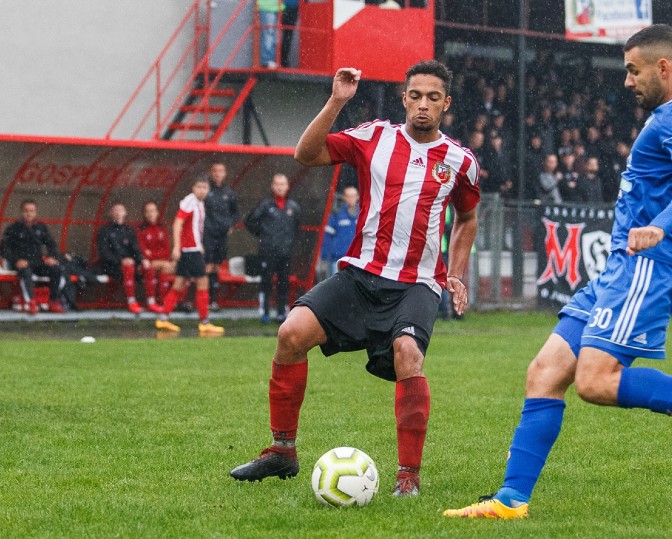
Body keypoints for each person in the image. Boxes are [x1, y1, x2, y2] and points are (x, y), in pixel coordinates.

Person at [444, 24, 672, 520]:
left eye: (634, 71)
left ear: (664, 68)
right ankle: (510, 501)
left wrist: (658, 225)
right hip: (621, 268)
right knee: (545, 372)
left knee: (595, 381)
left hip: (647, 265)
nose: (627, 81)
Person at [230, 60, 480, 497]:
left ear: (446, 104)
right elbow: (305, 155)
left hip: (417, 282)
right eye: (415, 96)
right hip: (361, 274)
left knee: (408, 354)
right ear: (404, 98)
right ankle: (282, 452)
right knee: (291, 333)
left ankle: (408, 477)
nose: (423, 105)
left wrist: (455, 273)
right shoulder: (374, 136)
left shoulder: (460, 161)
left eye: (433, 98)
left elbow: (468, 217)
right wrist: (336, 101)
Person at [154, 177, 225, 335]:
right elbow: (178, 222)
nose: (202, 190)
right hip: (190, 250)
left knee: (179, 284)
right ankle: (204, 322)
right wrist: (177, 247)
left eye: (204, 187)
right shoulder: (190, 201)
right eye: (199, 187)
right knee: (203, 282)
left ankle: (163, 318)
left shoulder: (199, 203)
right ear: (193, 188)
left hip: (192, 249)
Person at [245, 173, 301, 324]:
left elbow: (296, 227)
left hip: (285, 252)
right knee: (267, 281)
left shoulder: (293, 207)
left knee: (283, 283)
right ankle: (265, 311)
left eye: (283, 184)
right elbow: (249, 222)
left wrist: (288, 242)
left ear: (287, 186)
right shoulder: (265, 205)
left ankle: (282, 312)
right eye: (277, 184)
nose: (280, 187)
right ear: (272, 186)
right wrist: (263, 235)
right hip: (268, 252)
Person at [0, 199, 67, 314]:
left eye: (32, 211)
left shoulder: (41, 227)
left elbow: (51, 244)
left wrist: (51, 257)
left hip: (37, 262)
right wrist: (16, 260)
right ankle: (31, 303)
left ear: (35, 212)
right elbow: (3, 249)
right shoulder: (14, 228)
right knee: (26, 272)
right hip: (21, 263)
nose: (29, 213)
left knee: (56, 269)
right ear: (21, 212)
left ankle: (53, 301)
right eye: (26, 211)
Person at [96, 203, 150, 314]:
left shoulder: (129, 230)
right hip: (111, 266)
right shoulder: (105, 231)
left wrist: (142, 259)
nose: (118, 213)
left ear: (125, 213)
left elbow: (135, 248)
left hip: (128, 266)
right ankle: (131, 301)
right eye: (115, 210)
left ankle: (152, 302)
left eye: (120, 210)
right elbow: (104, 252)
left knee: (149, 267)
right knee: (128, 267)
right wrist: (120, 260)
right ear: (111, 214)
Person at [204, 162, 239, 311]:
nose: (218, 174)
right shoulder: (206, 191)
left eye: (221, 171)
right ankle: (204, 301)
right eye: (215, 171)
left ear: (225, 174)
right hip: (207, 235)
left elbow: (235, 212)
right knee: (206, 267)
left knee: (217, 267)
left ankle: (213, 300)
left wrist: (230, 225)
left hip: (222, 236)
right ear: (211, 173)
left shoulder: (229, 193)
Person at [137, 200, 175, 314]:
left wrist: (153, 255)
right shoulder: (140, 230)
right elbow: (143, 251)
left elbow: (167, 251)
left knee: (166, 269)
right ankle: (151, 302)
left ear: (157, 213)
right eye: (147, 211)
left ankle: (162, 301)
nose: (150, 214)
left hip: (161, 263)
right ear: (144, 214)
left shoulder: (161, 229)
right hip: (145, 264)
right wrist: (156, 256)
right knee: (151, 268)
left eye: (152, 211)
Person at [320, 185, 360, 278]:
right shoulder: (336, 213)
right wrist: (324, 256)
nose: (351, 199)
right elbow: (327, 236)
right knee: (336, 287)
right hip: (338, 260)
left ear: (357, 197)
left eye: (353, 196)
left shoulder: (363, 214)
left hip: (357, 261)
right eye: (348, 196)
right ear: (344, 197)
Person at [258, 0, 282, 68]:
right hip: (269, 7)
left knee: (273, 35)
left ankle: (269, 60)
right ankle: (267, 60)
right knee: (269, 34)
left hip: (273, 7)